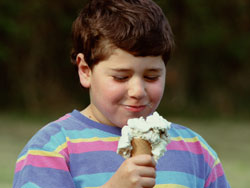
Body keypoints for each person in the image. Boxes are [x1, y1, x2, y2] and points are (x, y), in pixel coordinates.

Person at [13, 0, 231, 187]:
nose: (137, 91)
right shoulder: (52, 149)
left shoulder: (196, 152)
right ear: (85, 70)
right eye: (121, 77)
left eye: (151, 76)